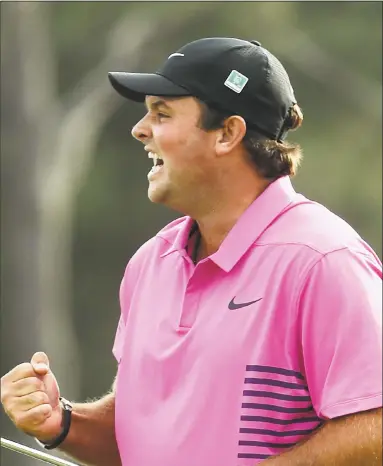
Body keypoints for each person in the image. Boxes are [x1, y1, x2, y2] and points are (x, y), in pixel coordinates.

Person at [1, 37, 382, 466]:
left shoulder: (322, 260)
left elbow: (374, 428)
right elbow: (145, 435)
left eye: (162, 114)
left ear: (227, 134)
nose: (139, 129)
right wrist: (64, 422)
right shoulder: (151, 262)